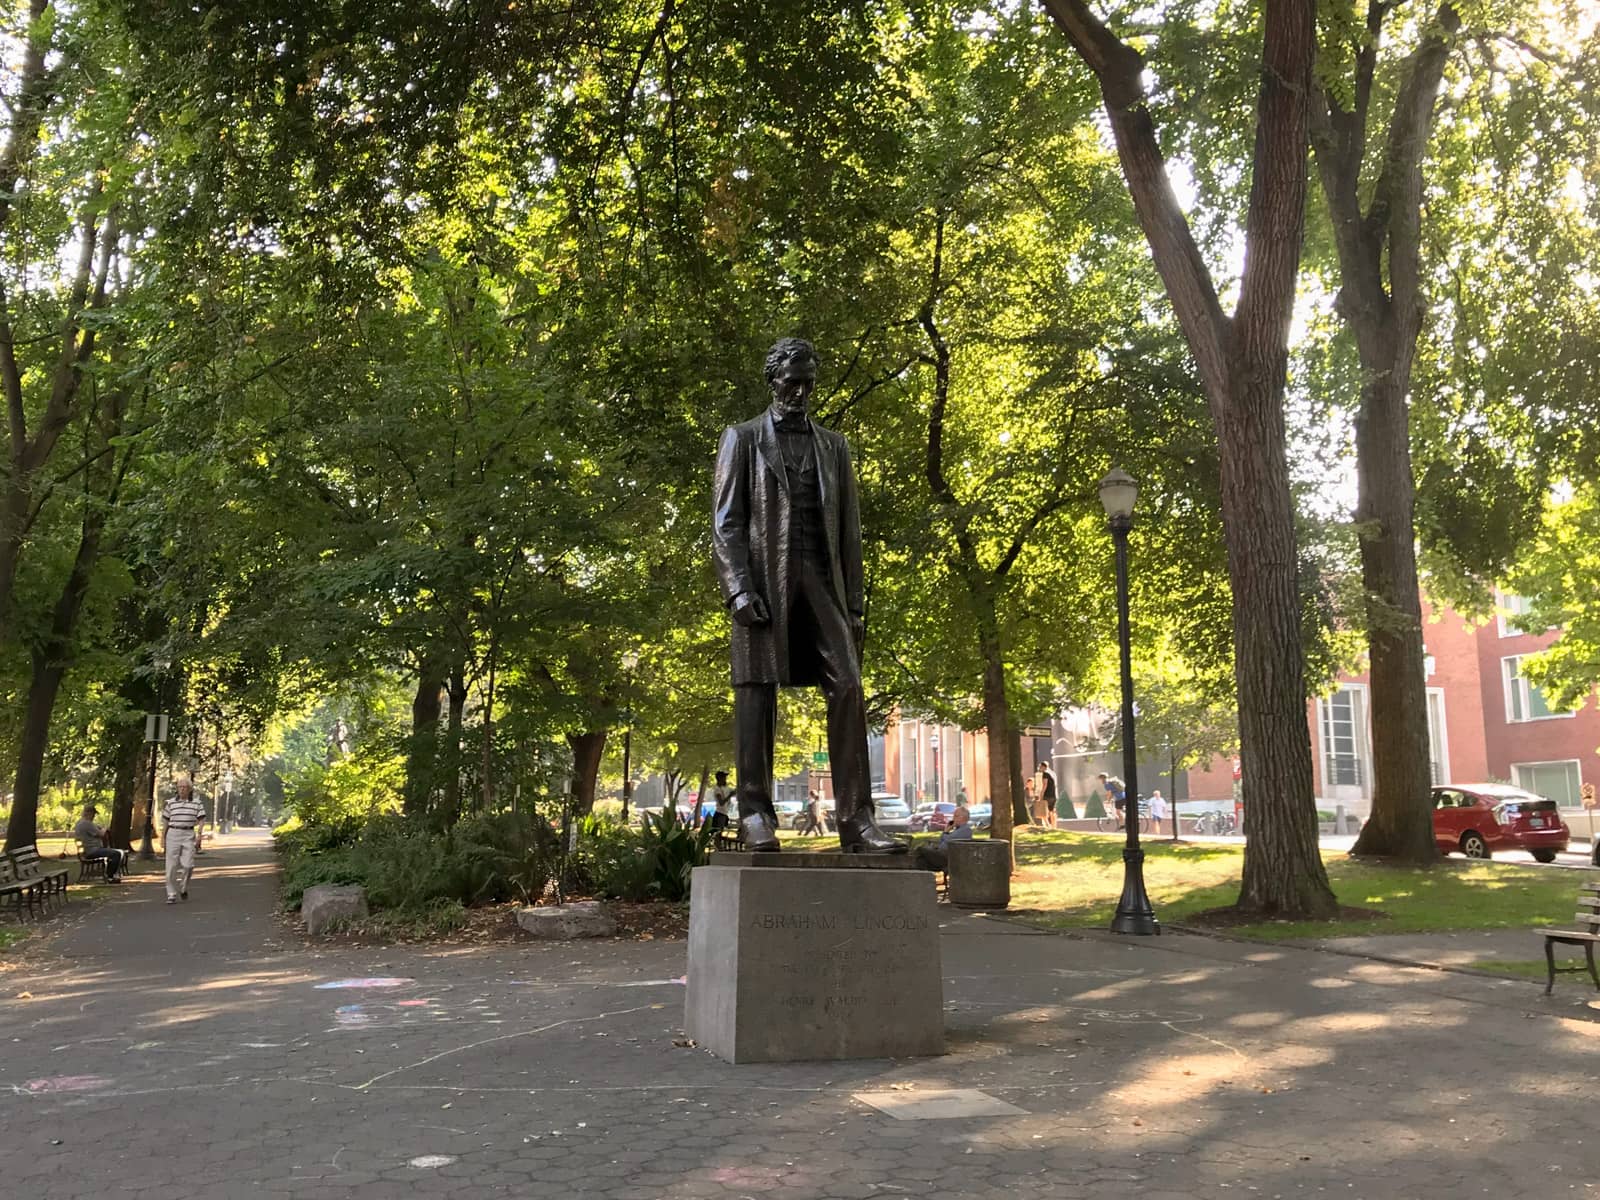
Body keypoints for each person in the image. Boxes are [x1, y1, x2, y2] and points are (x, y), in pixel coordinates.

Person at [712, 337, 899, 854]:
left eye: (808, 383)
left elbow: (851, 532)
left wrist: (856, 605)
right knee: (756, 692)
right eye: (791, 382)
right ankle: (755, 815)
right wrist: (739, 589)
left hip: (824, 582)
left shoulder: (834, 446)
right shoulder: (743, 438)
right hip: (765, 583)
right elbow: (726, 525)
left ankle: (858, 822)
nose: (799, 392)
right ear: (773, 380)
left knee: (849, 687)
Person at [162, 774, 206, 905]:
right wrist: (163, 838)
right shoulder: (170, 803)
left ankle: (183, 887)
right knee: (171, 866)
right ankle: (171, 894)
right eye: (180, 787)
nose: (182, 789)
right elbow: (165, 821)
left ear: (190, 789)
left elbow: (202, 820)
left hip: (188, 833)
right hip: (173, 833)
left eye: (185, 787)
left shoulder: (196, 803)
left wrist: (199, 835)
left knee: (188, 865)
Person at [72, 804, 127, 882]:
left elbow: (95, 829)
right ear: (89, 813)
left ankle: (110, 874)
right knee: (116, 853)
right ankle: (110, 876)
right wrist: (104, 828)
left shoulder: (80, 823)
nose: (94, 816)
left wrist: (100, 828)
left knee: (116, 852)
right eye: (93, 814)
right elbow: (101, 834)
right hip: (92, 851)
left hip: (88, 850)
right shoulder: (86, 823)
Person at [913, 805, 974, 871]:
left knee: (920, 849)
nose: (953, 818)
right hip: (942, 854)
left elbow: (948, 839)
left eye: (956, 816)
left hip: (948, 857)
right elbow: (942, 839)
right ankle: (924, 879)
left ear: (963, 818)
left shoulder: (966, 830)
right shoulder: (957, 830)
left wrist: (946, 831)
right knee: (921, 860)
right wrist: (946, 831)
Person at [1037, 761, 1058, 828]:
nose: (1039, 768)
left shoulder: (1045, 774)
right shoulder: (1051, 774)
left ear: (1043, 767)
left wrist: (1041, 795)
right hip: (1053, 795)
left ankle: (1047, 825)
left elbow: (1045, 785)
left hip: (1047, 795)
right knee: (1051, 811)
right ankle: (1054, 826)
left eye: (1040, 767)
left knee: (1043, 812)